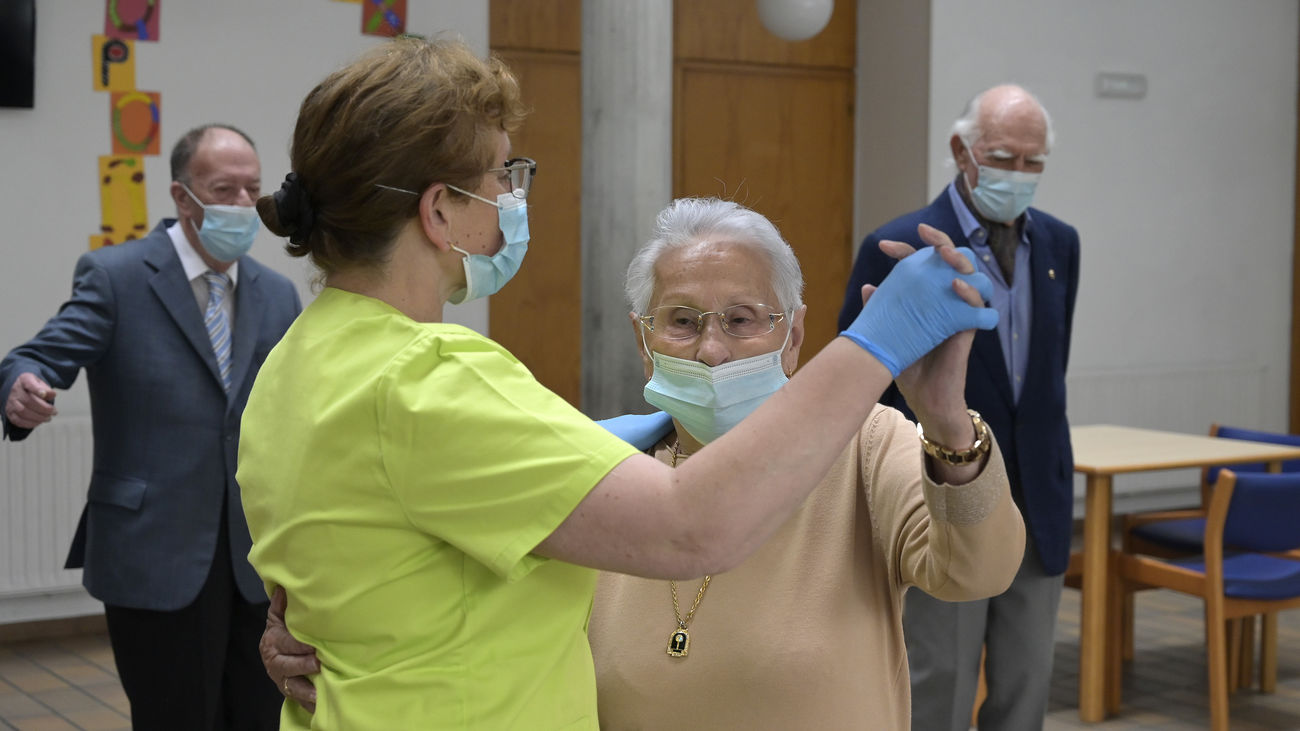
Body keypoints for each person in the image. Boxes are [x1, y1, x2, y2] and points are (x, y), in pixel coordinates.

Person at [236, 37, 1002, 730]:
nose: (709, 349)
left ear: (792, 330)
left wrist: (334, 626)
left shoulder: (296, 361)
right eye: (503, 174)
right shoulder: (427, 378)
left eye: (743, 319)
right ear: (440, 210)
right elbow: (691, 527)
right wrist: (879, 339)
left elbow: (360, 562)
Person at [0, 123, 301, 730]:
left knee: (260, 716)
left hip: (257, 558)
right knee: (176, 716)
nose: (243, 205)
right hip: (153, 552)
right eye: (224, 189)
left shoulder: (277, 295)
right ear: (182, 197)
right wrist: (18, 388)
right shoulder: (117, 277)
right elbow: (32, 359)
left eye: (253, 189)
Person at [837, 84, 1081, 731]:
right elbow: (860, 391)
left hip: (1037, 497)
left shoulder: (1060, 246)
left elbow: (1045, 381)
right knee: (938, 682)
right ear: (961, 151)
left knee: (1026, 687)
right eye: (1005, 157)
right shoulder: (899, 246)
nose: (1019, 175)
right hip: (939, 500)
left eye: (1034, 163)